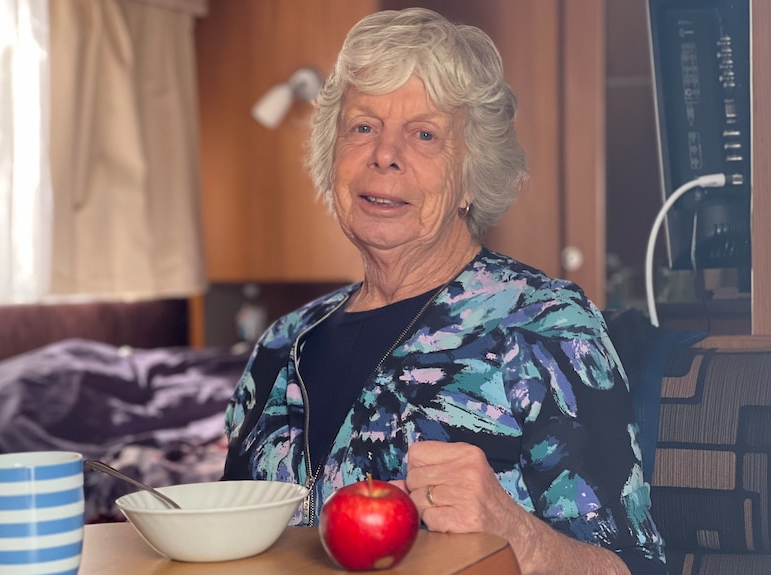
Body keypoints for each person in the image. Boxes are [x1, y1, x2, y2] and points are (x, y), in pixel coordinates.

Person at [222, 7, 665, 574]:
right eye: (362, 127)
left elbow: (636, 568)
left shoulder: (543, 325)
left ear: (470, 177)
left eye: (424, 134)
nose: (384, 154)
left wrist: (515, 533)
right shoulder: (282, 346)